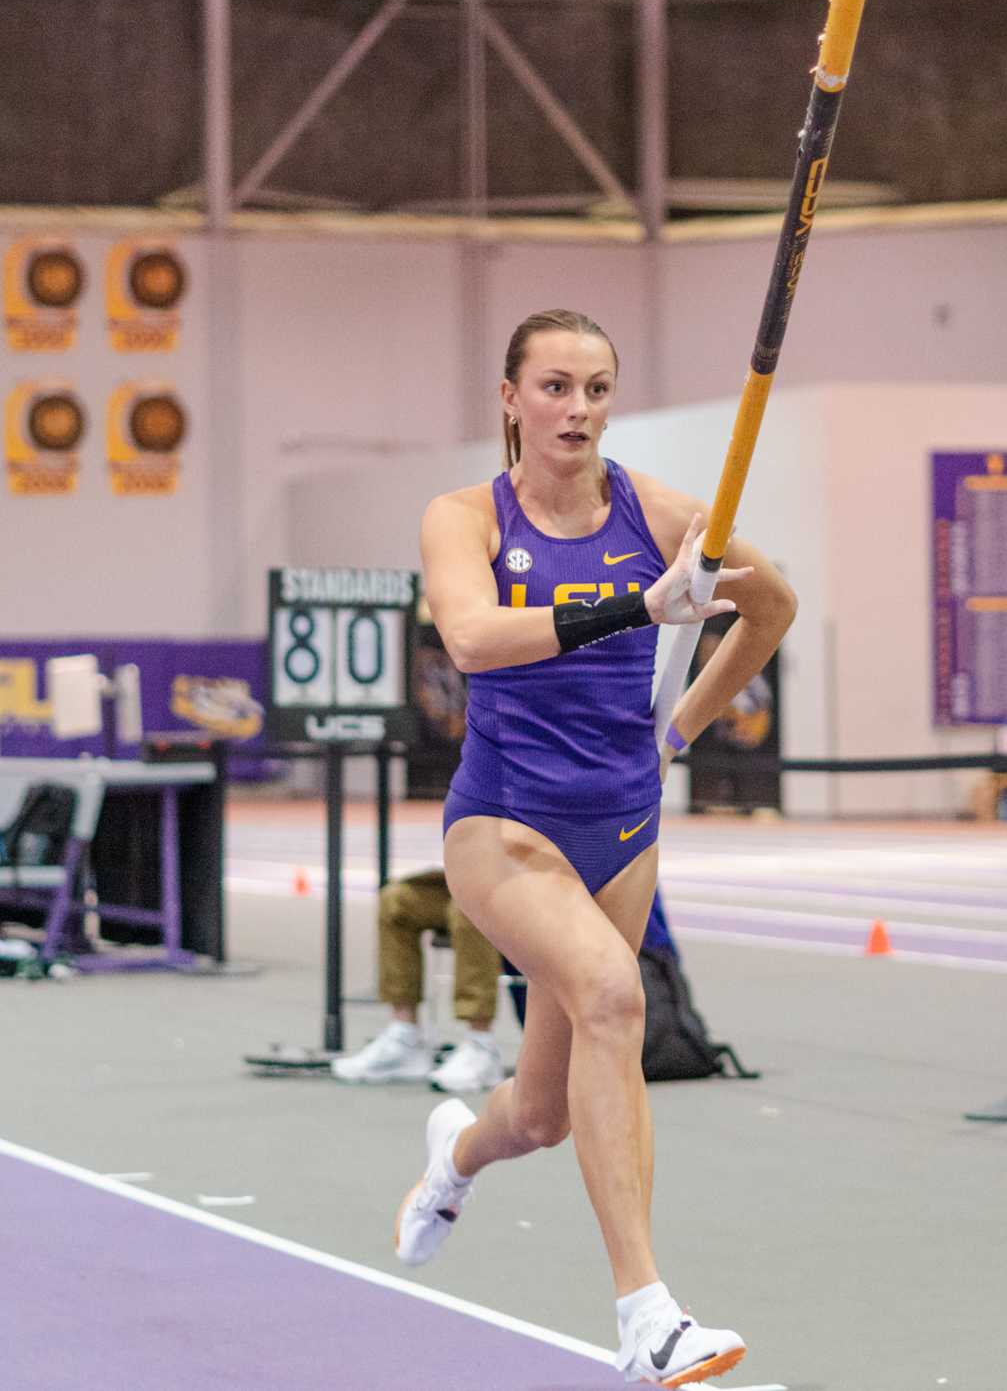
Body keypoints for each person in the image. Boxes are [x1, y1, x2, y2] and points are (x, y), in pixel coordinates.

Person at [402, 309, 796, 1387]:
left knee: (535, 1114)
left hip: (623, 828)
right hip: (506, 824)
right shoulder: (464, 517)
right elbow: (475, 638)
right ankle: (646, 1313)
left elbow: (771, 608)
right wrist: (637, 604)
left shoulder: (665, 514)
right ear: (509, 396)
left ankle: (455, 1157)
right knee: (615, 998)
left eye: (596, 389)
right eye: (556, 387)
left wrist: (682, 728)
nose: (578, 410)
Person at [332, 868, 509, 1095]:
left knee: (469, 907)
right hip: (459, 876)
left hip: (515, 884)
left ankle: (481, 1045)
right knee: (395, 900)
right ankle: (405, 1037)